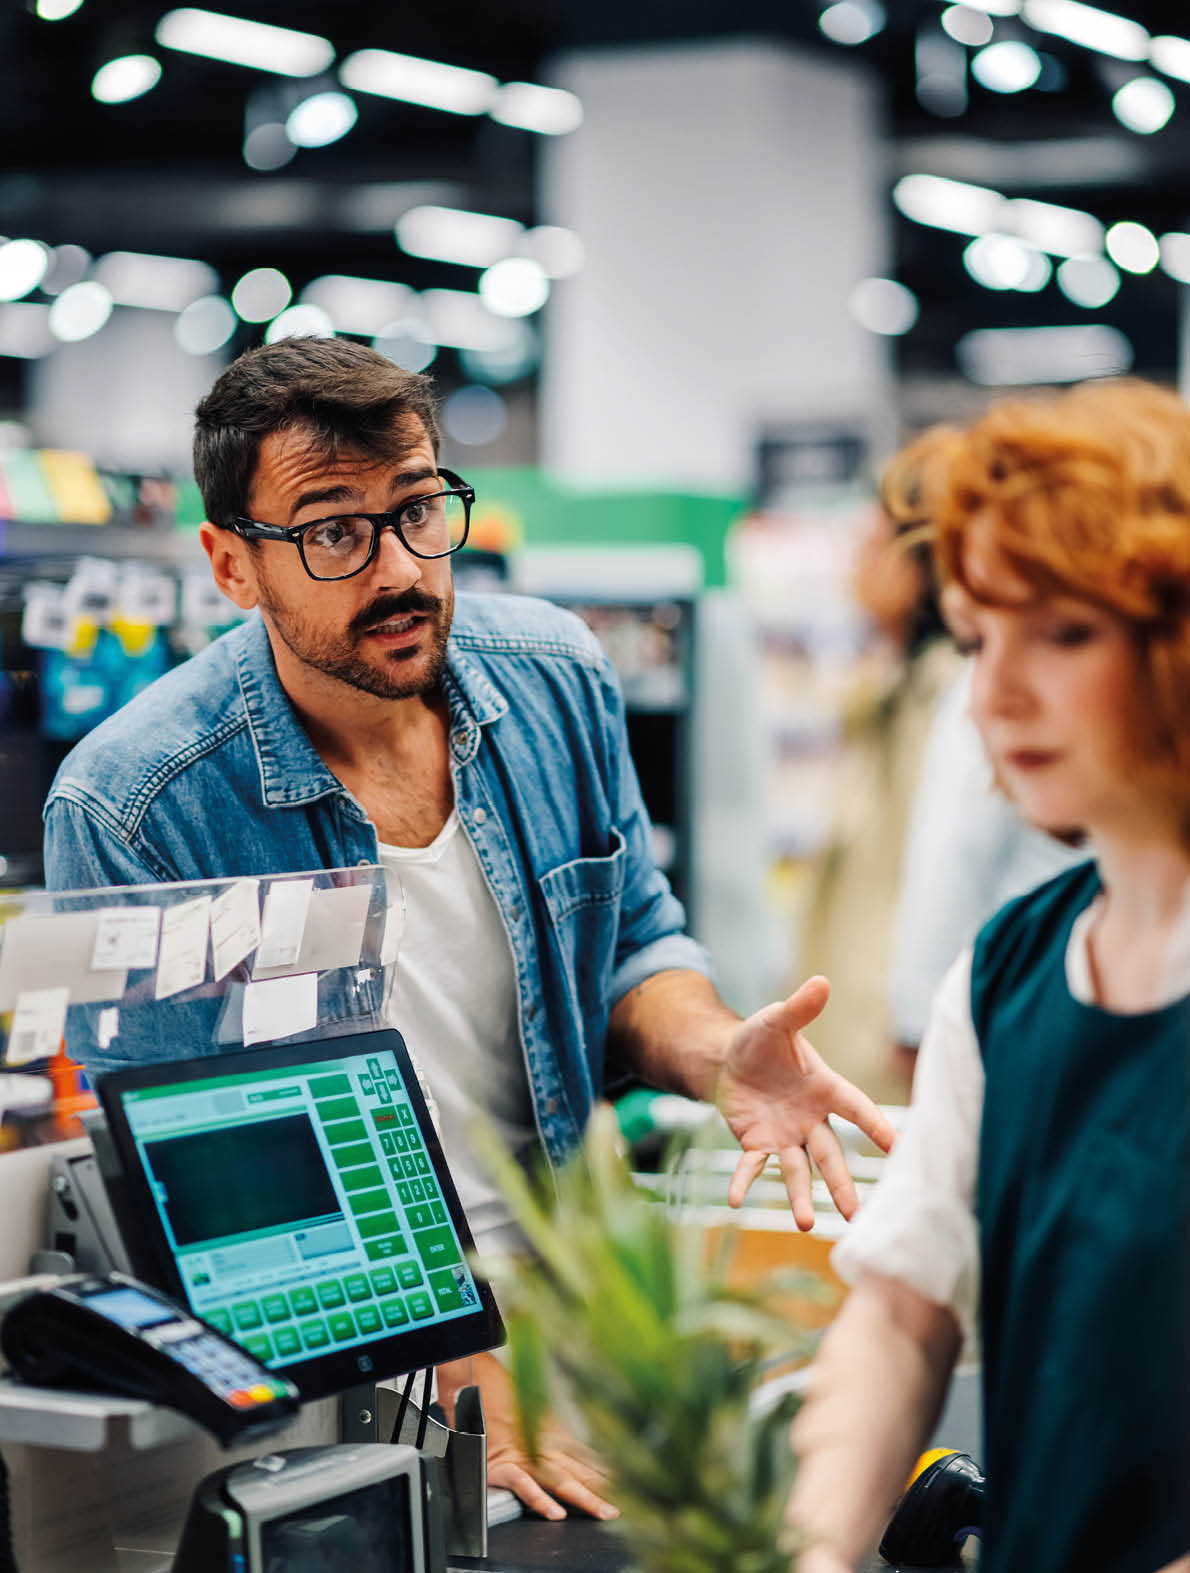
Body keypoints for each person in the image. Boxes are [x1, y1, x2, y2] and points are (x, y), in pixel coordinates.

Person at [42, 337, 895, 1521]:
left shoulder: (553, 677)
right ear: (231, 565)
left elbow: (636, 939)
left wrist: (709, 1048)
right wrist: (443, 1361)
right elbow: (197, 1177)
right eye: (333, 530)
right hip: (335, 1380)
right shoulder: (136, 804)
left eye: (419, 508)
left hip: (579, 1316)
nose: (400, 567)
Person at [787, 377, 1190, 1573]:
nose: (994, 695)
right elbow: (904, 1316)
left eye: (1061, 634)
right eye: (975, 638)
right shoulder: (1009, 974)